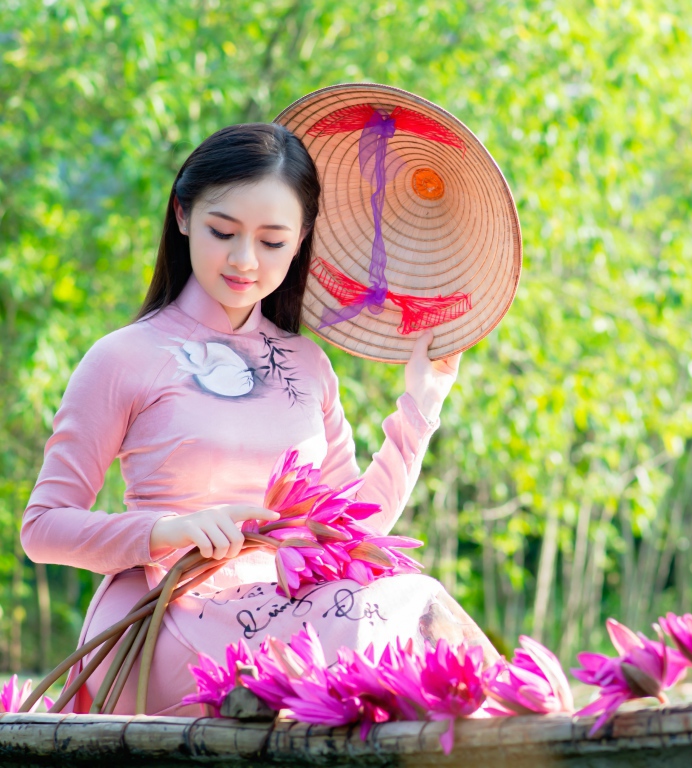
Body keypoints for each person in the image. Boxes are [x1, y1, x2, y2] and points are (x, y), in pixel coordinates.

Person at [21, 123, 493, 716]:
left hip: (297, 606)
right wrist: (172, 530)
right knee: (361, 630)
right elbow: (42, 529)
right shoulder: (123, 358)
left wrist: (421, 403)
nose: (244, 261)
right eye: (223, 232)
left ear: (300, 242)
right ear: (183, 216)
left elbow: (354, 528)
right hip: (169, 614)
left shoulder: (307, 363)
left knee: (416, 606)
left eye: (272, 242)